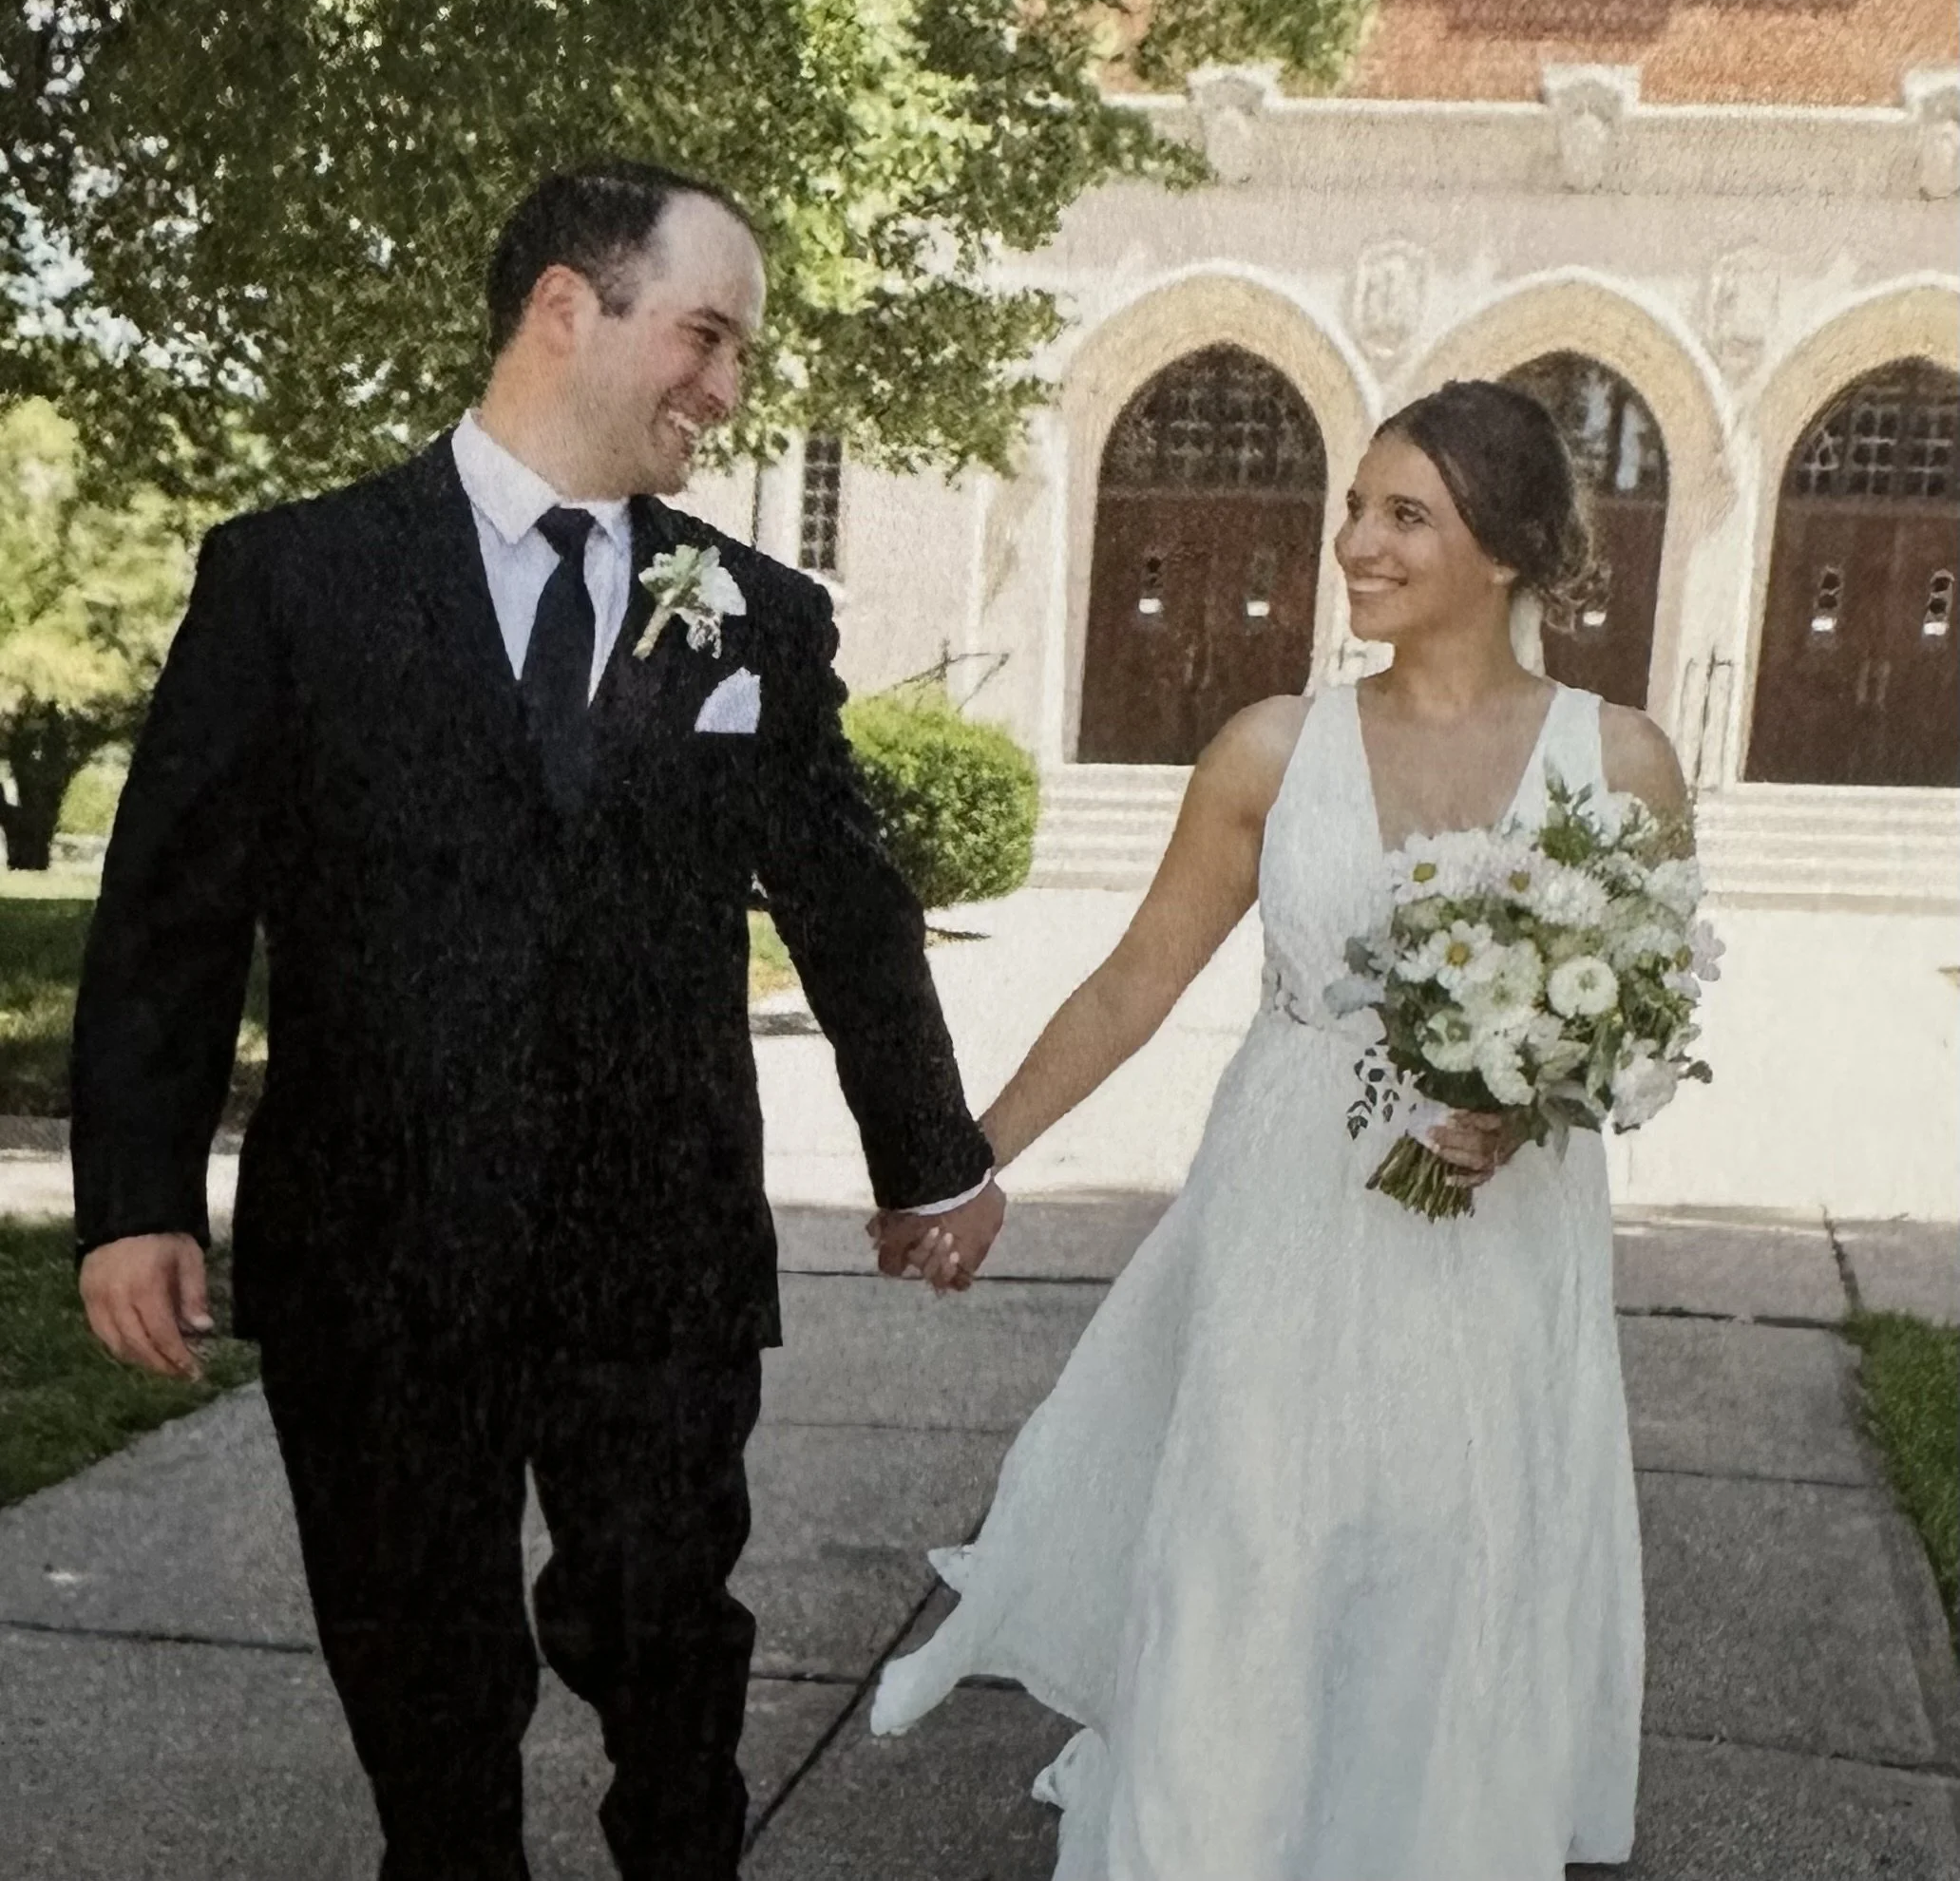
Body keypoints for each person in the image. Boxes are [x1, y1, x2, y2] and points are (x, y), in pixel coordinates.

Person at [67, 159, 1002, 1881]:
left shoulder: (757, 619)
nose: (726, 389)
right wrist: (135, 1196)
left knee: (668, 1648)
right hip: (375, 1250)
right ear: (570, 306)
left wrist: (931, 1157)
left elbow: (851, 909)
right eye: (706, 337)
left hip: (655, 1255)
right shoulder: (291, 580)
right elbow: (171, 918)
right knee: (421, 1673)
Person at [870, 379, 1690, 1878]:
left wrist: (1527, 1098)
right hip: (1288, 1215)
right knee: (1253, 1540)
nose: (1353, 545)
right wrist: (963, 1161)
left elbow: (1643, 1005)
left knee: (1456, 1553)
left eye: (1402, 516)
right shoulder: (1269, 748)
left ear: (1502, 548)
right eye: (1353, 509)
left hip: (1498, 1238)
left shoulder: (1620, 760)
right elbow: (1132, 983)